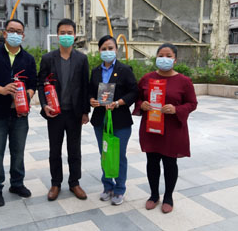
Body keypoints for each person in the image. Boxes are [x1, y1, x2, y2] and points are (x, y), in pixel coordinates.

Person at [0, 19, 37, 207]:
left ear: (23, 36)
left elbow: (34, 84)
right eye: (11, 30)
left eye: (19, 32)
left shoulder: (28, 59)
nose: (15, 34)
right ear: (4, 33)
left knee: (18, 152)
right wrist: (1, 90)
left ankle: (17, 184)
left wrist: (28, 94)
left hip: (20, 115)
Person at [132, 43, 197, 213]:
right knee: (152, 162)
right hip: (151, 128)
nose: (164, 59)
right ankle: (154, 195)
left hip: (172, 129)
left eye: (169, 56)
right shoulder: (147, 79)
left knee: (170, 162)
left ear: (175, 59)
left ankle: (168, 196)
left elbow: (192, 103)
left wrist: (177, 109)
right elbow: (138, 99)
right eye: (161, 55)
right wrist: (142, 104)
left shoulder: (184, 81)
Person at [38, 18, 90, 201]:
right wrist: (44, 105)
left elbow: (85, 86)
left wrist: (86, 111)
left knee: (74, 150)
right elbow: (41, 84)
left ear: (75, 36)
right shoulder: (47, 59)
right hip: (55, 113)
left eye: (69, 33)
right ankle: (55, 183)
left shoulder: (82, 59)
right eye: (62, 33)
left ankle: (74, 183)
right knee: (55, 150)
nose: (66, 36)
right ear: (57, 35)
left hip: (75, 114)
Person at [89, 35, 138, 205]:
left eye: (111, 48)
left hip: (120, 121)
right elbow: (90, 91)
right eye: (104, 49)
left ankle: (119, 189)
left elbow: (134, 92)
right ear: (99, 51)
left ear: (116, 50)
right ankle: (107, 186)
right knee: (105, 154)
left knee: (118, 156)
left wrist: (118, 103)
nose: (107, 51)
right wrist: (91, 100)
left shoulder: (125, 70)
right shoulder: (95, 71)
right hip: (100, 120)